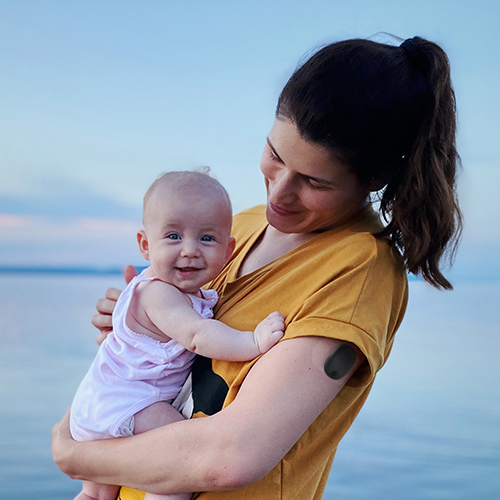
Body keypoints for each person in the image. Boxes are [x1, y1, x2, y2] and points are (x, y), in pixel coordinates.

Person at [53, 36, 462, 499]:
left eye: (313, 182)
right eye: (276, 156)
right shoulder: (236, 228)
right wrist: (138, 328)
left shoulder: (358, 271)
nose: (279, 194)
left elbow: (231, 457)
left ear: (374, 179)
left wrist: (74, 455)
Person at [68, 170, 285, 500]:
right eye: (173, 236)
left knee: (96, 495)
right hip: (132, 403)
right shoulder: (160, 294)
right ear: (145, 244)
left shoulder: (177, 292)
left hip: (100, 405)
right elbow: (198, 335)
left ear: (228, 252)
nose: (189, 250)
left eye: (206, 239)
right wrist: (253, 342)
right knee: (180, 456)